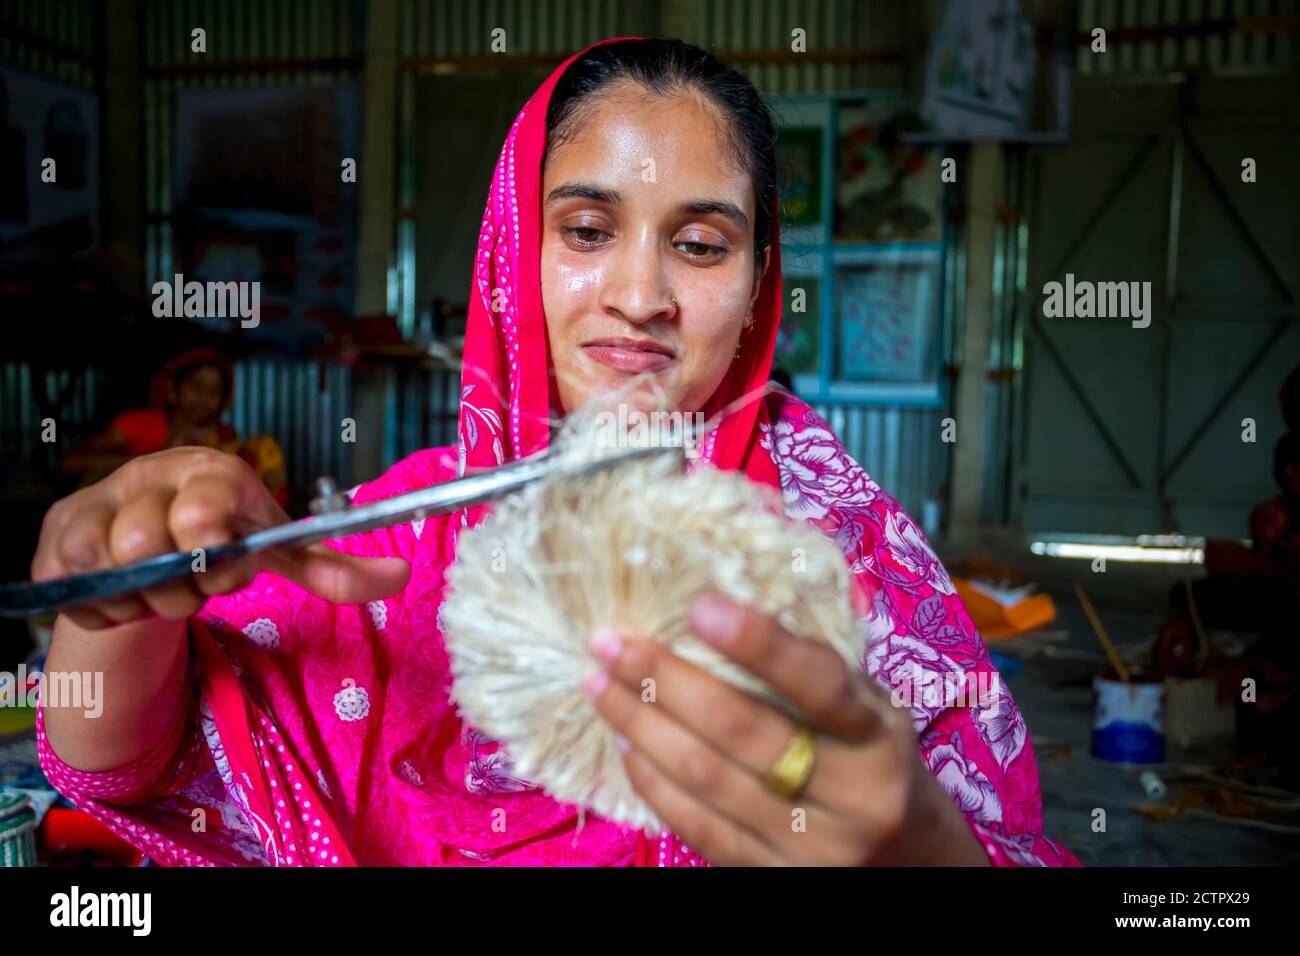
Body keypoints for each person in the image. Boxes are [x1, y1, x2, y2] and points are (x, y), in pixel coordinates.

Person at [33, 38, 1074, 866]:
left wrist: (921, 856)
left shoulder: (852, 563)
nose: (639, 295)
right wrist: (111, 605)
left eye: (700, 244)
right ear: (507, 249)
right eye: (585, 229)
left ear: (759, 281)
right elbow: (123, 768)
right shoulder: (397, 541)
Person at [60, 347, 288, 506]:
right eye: (195, 386)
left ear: (224, 400)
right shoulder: (140, 424)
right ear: (173, 390)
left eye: (213, 391)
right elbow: (70, 463)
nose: (202, 398)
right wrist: (159, 457)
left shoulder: (226, 441)